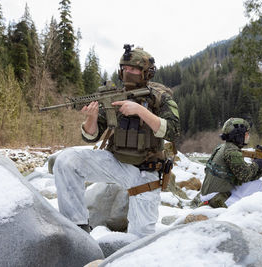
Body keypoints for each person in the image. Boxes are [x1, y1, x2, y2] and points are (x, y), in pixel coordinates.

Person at [53, 45, 180, 237]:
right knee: (66, 161)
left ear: (146, 73)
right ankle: (77, 229)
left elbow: (173, 130)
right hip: (115, 162)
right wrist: (91, 118)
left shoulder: (160, 97)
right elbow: (91, 136)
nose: (129, 72)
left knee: (140, 240)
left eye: (135, 69)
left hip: (145, 171)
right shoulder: (112, 96)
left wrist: (140, 111)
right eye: (125, 68)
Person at [200, 118, 262, 208]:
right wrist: (257, 164)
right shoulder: (232, 151)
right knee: (258, 186)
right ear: (238, 135)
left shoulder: (223, 147)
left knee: (253, 183)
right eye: (246, 134)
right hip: (217, 198)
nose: (248, 136)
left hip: (210, 194)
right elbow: (245, 176)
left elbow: (245, 175)